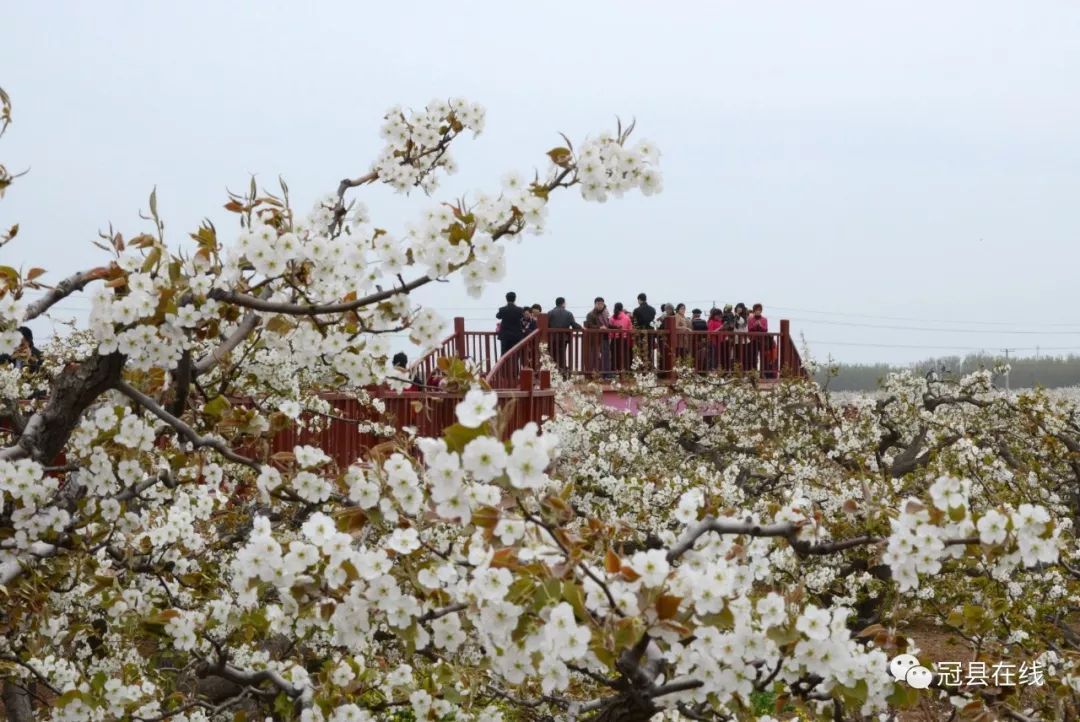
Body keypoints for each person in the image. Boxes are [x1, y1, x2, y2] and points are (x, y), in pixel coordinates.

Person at [548, 297, 582, 375]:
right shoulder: (568, 313)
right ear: (563, 303)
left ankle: (552, 373)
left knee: (552, 356)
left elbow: (546, 325)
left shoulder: (550, 313)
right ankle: (562, 372)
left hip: (552, 338)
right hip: (563, 338)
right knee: (562, 356)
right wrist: (582, 327)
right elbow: (574, 325)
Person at [583, 297, 611, 377]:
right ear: (595, 304)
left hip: (604, 338)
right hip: (595, 339)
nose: (600, 306)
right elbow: (589, 325)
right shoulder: (590, 314)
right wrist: (599, 328)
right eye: (598, 304)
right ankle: (594, 374)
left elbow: (607, 325)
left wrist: (616, 327)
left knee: (606, 356)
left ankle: (606, 374)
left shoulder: (604, 314)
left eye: (602, 304)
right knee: (595, 357)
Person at [495, 291, 525, 357]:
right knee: (516, 354)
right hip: (516, 336)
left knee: (504, 354)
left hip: (505, 336)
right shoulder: (519, 309)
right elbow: (522, 317)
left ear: (506, 299)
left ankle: (505, 367)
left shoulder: (502, 309)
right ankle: (515, 367)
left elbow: (498, 316)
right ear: (515, 298)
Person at [632, 292, 657, 369]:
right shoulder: (653, 310)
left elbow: (635, 323)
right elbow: (652, 321)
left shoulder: (636, 310)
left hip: (641, 333)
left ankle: (641, 367)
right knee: (649, 349)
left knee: (640, 350)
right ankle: (649, 366)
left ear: (639, 300)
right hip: (650, 332)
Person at [608, 302, 632, 373]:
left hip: (614, 339)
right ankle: (623, 371)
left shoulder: (612, 318)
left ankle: (614, 371)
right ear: (622, 308)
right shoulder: (627, 318)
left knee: (614, 356)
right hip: (624, 339)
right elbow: (630, 329)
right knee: (623, 356)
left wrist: (611, 337)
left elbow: (609, 330)